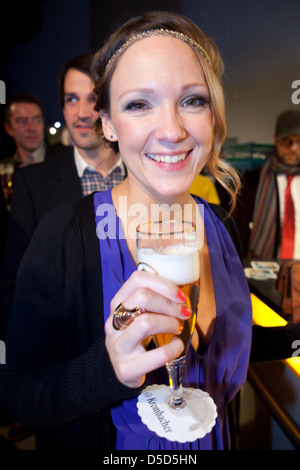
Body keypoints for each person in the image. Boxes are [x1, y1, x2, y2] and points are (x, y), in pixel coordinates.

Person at [0, 11, 252, 450]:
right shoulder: (63, 235)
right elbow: (19, 392)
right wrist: (107, 370)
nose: (172, 130)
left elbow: (228, 342)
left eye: (193, 100)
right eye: (139, 104)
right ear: (109, 123)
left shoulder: (222, 222)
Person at [0, 53, 124, 342]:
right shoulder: (33, 183)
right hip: (64, 349)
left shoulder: (144, 174)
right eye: (71, 99)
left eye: (92, 98)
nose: (81, 112)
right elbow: (15, 281)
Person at [234, 109, 300, 259]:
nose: (293, 148)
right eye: (286, 140)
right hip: (264, 269)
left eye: (299, 141)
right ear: (276, 139)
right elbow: (239, 231)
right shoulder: (252, 181)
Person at [1, 93, 64, 205]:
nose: (31, 128)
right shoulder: (4, 170)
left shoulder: (65, 159)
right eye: (22, 121)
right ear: (8, 128)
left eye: (37, 120)